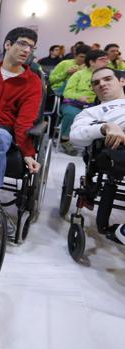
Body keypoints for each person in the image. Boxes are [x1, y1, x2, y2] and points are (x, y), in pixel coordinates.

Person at [0, 27, 42, 196]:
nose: (27, 50)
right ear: (8, 44)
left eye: (31, 47)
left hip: (3, 129)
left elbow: (25, 121)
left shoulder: (32, 82)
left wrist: (28, 152)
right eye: (23, 44)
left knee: (0, 138)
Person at [69, 67, 125, 244]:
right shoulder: (91, 112)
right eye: (96, 83)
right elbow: (76, 135)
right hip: (116, 148)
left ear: (121, 81)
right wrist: (105, 127)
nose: (102, 84)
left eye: (108, 79)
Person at [60, 49, 109, 155]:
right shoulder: (79, 74)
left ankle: (96, 146)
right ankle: (65, 139)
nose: (107, 62)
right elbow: (67, 92)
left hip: (96, 105)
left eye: (107, 59)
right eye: (102, 59)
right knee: (71, 113)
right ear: (91, 62)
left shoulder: (108, 76)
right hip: (74, 103)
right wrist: (79, 97)